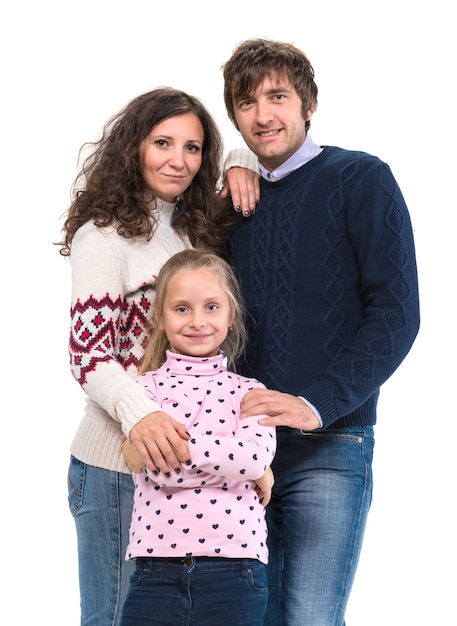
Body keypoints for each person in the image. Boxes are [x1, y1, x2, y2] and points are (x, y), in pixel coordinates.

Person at [222, 38, 420, 626]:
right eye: (246, 103)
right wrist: (235, 159)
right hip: (237, 450)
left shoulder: (360, 177)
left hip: (330, 448)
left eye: (277, 96)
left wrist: (319, 403)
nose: (262, 115)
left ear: (308, 104)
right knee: (238, 616)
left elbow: (397, 313)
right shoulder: (229, 202)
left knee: (308, 617)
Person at [58, 87, 259, 626]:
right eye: (162, 143)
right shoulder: (102, 236)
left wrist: (240, 160)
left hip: (187, 464)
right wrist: (140, 414)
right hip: (114, 463)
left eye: (193, 148)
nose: (179, 160)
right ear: (133, 148)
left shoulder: (192, 226)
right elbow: (88, 353)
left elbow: (256, 150)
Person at [118, 248, 276, 626]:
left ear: (230, 313)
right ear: (159, 317)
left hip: (236, 569)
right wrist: (232, 463)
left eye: (211, 307)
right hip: (155, 570)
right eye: (182, 308)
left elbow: (254, 458)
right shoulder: (142, 391)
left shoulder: (251, 391)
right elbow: (159, 472)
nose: (197, 321)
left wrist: (180, 447)